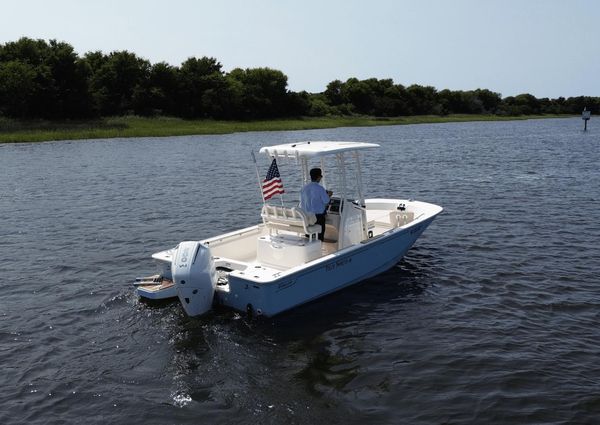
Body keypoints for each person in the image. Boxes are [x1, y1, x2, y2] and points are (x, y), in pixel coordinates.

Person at [300, 168, 333, 241]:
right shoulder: (320, 188)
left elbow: (302, 203)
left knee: (309, 236)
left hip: (306, 217)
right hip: (318, 218)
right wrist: (329, 194)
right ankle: (319, 244)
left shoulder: (304, 188)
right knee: (319, 237)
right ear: (319, 177)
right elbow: (326, 201)